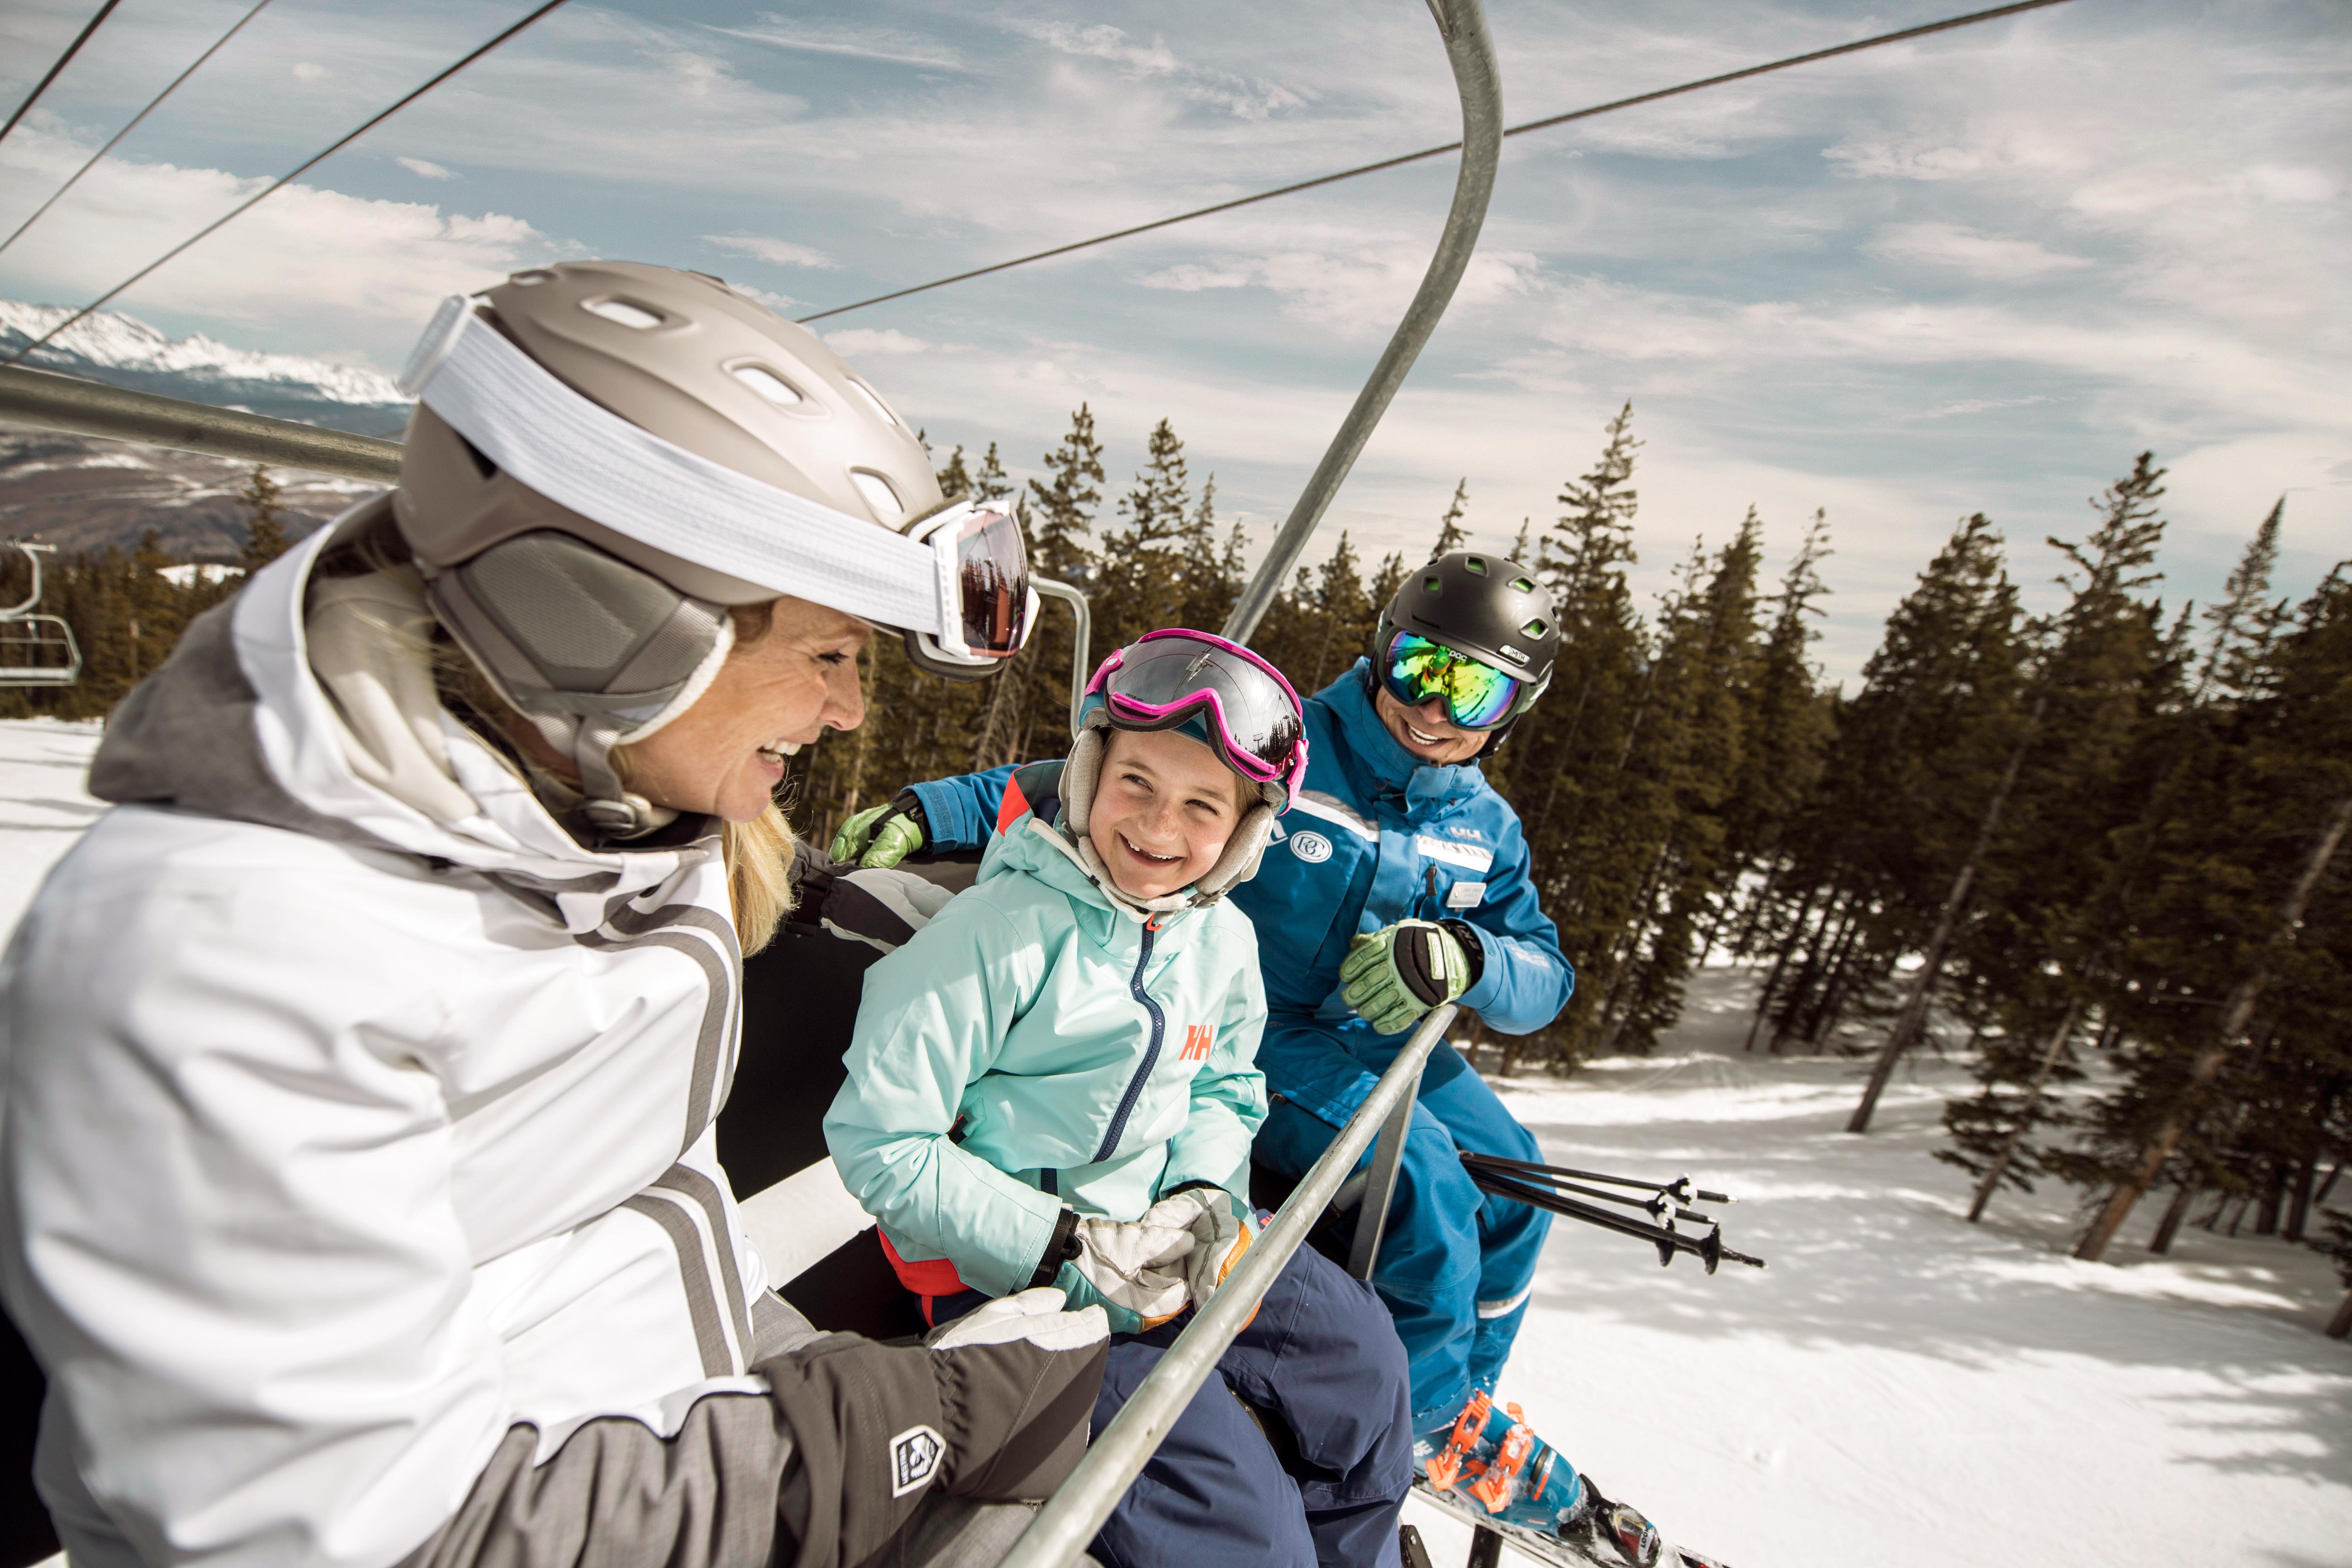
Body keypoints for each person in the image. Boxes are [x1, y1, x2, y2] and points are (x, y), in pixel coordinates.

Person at [0, 261, 1107, 1568]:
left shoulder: (610, 801)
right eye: (829, 653)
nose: (852, 711)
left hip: (660, 1382)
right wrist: (884, 1424)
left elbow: (615, 1217)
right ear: (615, 626)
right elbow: (369, 1537)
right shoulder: (224, 956)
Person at [835, 555, 1667, 1563]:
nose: (1432, 708)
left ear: (1514, 706)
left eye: (1471, 686)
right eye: (1417, 669)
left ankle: (1455, 1407)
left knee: (1519, 1183)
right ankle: (1428, 1409)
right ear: (1379, 650)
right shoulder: (1288, 744)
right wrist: (935, 809)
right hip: (1271, 1031)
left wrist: (1467, 958)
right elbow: (1088, 778)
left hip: (1343, 1031)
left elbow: (1544, 973)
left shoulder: (1481, 827)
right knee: (1428, 1188)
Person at [823, 631, 1414, 1568]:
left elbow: (1224, 1083)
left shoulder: (1214, 942)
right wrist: (1060, 1245)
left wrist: (1204, 1199)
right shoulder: (998, 936)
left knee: (1364, 1364)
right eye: (1134, 782)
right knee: (1244, 1533)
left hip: (1171, 1236)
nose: (1158, 828)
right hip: (1022, 1279)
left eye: (1200, 806)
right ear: (1090, 770)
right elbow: (880, 1138)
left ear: (1245, 828)